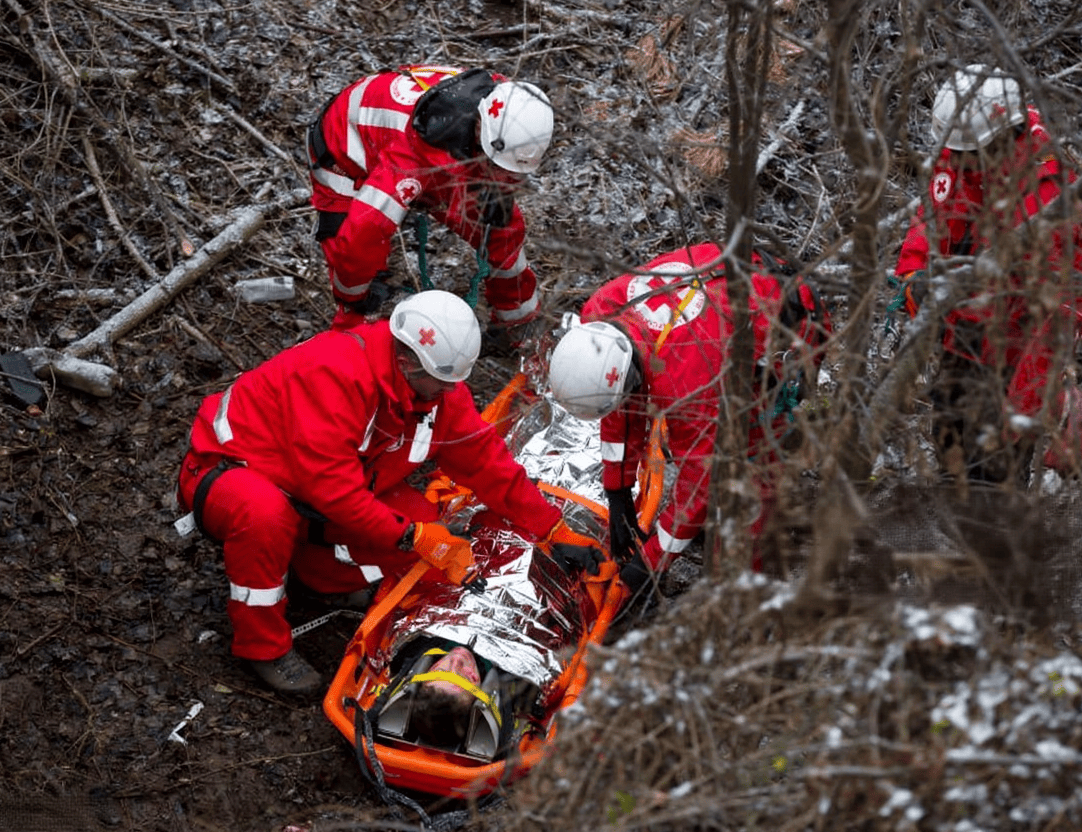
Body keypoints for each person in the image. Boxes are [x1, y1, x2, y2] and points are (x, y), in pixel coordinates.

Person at [175, 290, 600, 695]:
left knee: (425, 531)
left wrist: (551, 526)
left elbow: (487, 464)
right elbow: (333, 490)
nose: (450, 394)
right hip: (234, 471)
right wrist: (411, 535)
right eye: (441, 383)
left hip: (312, 495)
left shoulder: (434, 392)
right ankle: (262, 645)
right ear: (405, 362)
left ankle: (317, 572)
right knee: (266, 516)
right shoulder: (334, 373)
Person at [545, 243, 829, 598]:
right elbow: (624, 406)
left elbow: (700, 480)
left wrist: (651, 561)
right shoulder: (602, 316)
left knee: (753, 464)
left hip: (788, 324)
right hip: (739, 288)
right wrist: (617, 490)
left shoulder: (687, 386)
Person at [891, 64, 1082, 483]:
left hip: (1016, 348)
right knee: (951, 457)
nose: (962, 164)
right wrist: (914, 275)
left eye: (970, 156)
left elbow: (1058, 315)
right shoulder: (960, 151)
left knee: (993, 480)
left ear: (1003, 138)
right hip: (962, 335)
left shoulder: (1050, 193)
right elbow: (931, 218)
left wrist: (1018, 414)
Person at [306, 64, 554, 332]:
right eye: (497, 168)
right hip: (345, 150)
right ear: (481, 128)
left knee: (501, 231)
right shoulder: (413, 154)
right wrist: (354, 298)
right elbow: (364, 230)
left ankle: (518, 321)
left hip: (448, 154)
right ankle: (354, 322)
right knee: (356, 242)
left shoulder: (509, 109)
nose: (502, 177)